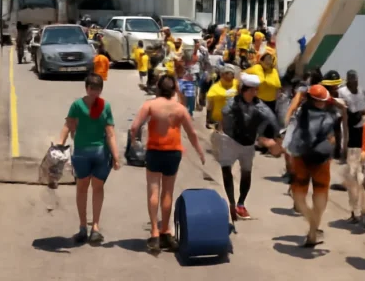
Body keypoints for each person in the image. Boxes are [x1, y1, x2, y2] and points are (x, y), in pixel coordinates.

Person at [130, 75, 206, 252]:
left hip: (155, 151)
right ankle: (165, 229)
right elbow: (192, 133)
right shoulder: (180, 109)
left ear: (158, 87)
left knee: (153, 190)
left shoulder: (150, 105)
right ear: (174, 90)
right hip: (173, 152)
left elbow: (134, 127)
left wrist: (134, 141)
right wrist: (200, 152)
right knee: (168, 192)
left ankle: (155, 233)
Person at [58, 73, 121, 244]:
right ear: (86, 88)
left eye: (97, 89)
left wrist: (116, 156)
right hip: (83, 154)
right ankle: (84, 227)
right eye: (92, 89)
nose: (94, 92)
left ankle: (94, 227)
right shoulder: (78, 106)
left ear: (101, 89)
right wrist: (58, 147)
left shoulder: (101, 106)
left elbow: (110, 134)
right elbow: (67, 126)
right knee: (83, 188)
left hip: (98, 153)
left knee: (94, 188)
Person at [217, 73, 283, 223]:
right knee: (226, 170)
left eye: (256, 90)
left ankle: (241, 203)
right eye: (251, 90)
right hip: (231, 141)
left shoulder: (260, 106)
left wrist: (276, 139)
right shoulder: (232, 103)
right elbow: (224, 116)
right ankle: (232, 202)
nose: (254, 93)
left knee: (246, 173)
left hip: (248, 144)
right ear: (243, 90)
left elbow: (272, 120)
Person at [287, 84, 338, 247]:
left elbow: (289, 125)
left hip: (305, 158)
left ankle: (312, 230)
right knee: (317, 195)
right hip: (317, 160)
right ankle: (314, 228)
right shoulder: (331, 114)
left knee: (302, 197)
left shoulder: (301, 112)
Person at [338, 70, 365, 225]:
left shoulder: (361, 93)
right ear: (348, 81)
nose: (355, 82)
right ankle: (356, 212)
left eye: (356, 80)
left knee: (362, 178)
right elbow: (345, 117)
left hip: (363, 138)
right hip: (351, 138)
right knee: (352, 178)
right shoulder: (342, 92)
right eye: (353, 80)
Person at [205, 65, 238, 129]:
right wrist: (208, 119)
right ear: (222, 74)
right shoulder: (214, 88)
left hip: (234, 120)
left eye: (232, 73)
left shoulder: (237, 84)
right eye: (227, 73)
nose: (230, 75)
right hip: (219, 121)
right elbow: (210, 106)